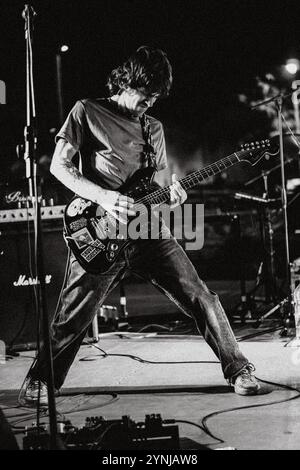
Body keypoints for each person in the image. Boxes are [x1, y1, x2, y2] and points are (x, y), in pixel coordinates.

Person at [23, 46, 259, 405]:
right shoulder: (87, 111)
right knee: (73, 314)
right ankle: (40, 381)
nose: (150, 102)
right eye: (145, 94)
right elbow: (59, 166)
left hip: (147, 229)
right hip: (99, 229)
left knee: (200, 295)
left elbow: (153, 185)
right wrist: (102, 196)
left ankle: (238, 368)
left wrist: (173, 195)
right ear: (126, 81)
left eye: (155, 97)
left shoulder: (154, 128)